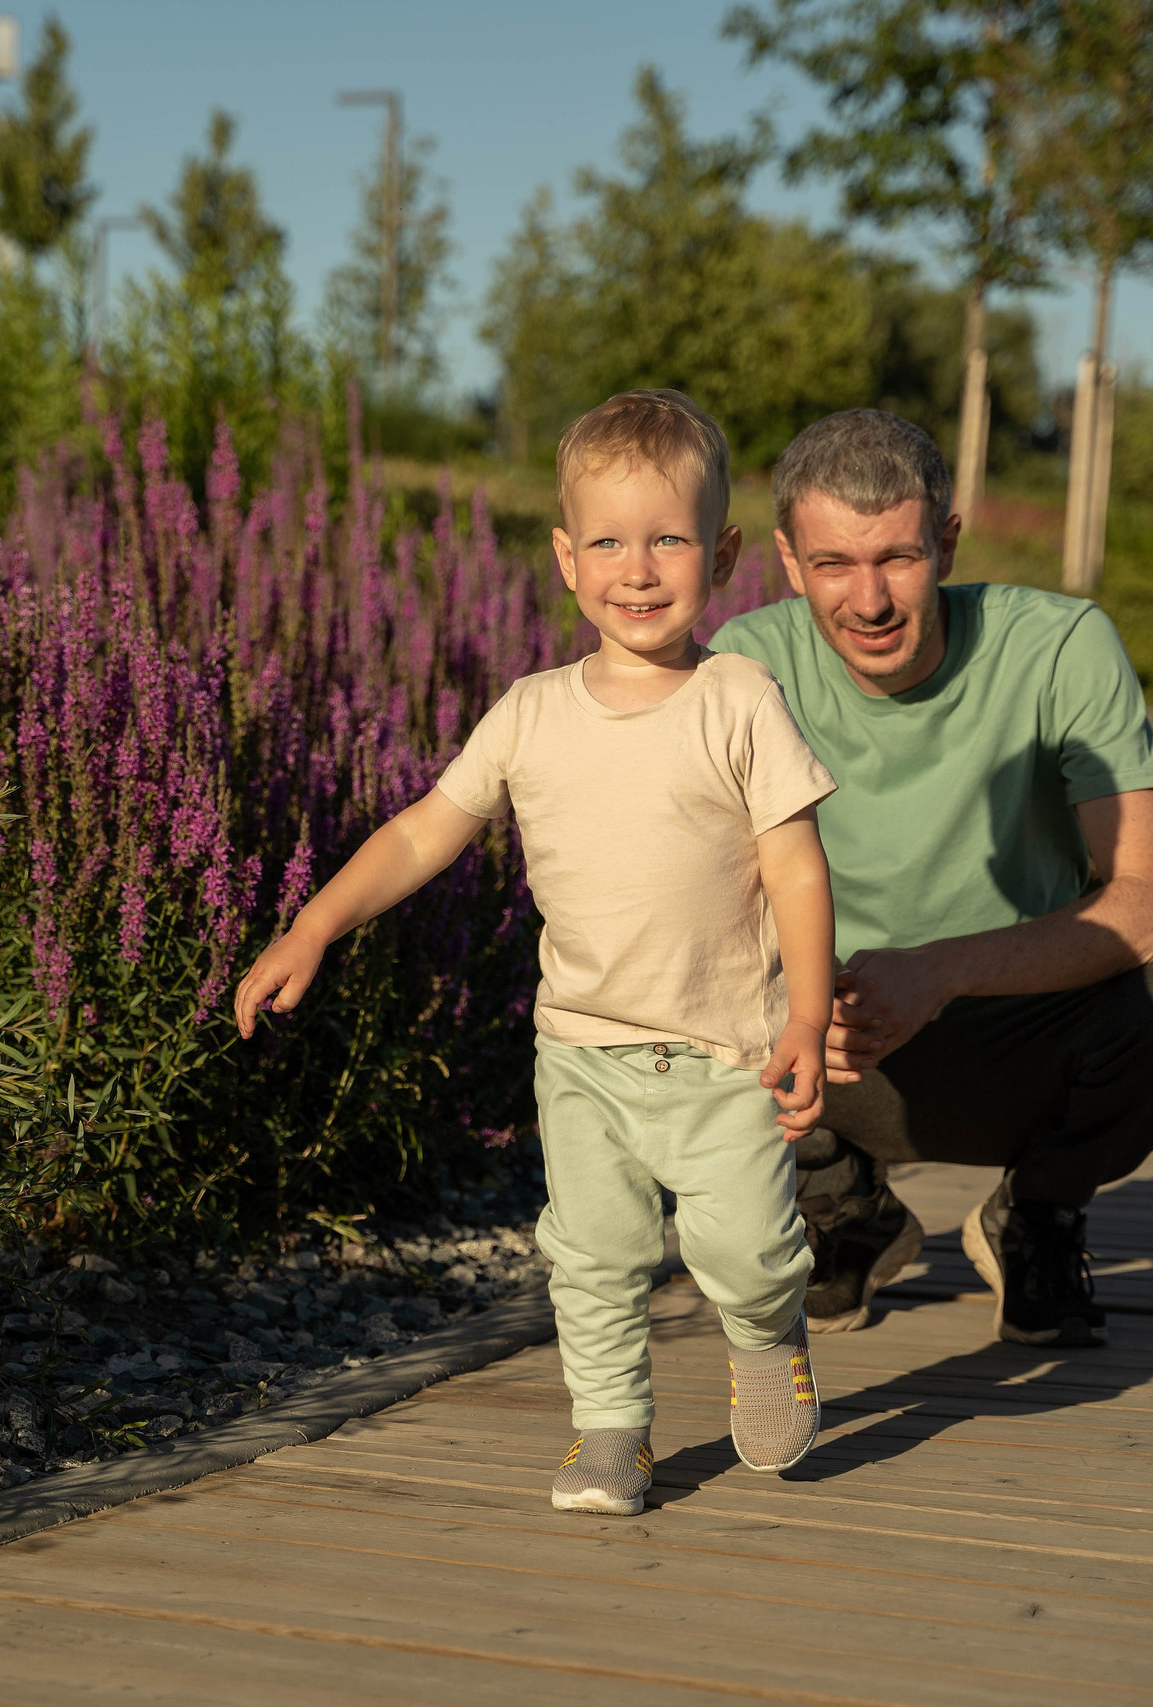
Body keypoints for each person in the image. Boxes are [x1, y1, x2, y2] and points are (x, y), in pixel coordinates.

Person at [235, 391, 838, 1516]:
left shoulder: (738, 698)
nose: (639, 568)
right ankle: (610, 1433)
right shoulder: (529, 712)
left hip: (728, 1052)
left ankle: (769, 1339)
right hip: (583, 1053)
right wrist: (313, 923)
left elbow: (797, 867)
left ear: (725, 552)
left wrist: (805, 1017)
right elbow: (425, 828)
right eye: (607, 540)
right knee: (594, 1258)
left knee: (749, 1253)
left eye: (668, 538)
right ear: (565, 558)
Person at [711, 410, 1153, 1349]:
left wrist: (940, 969)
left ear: (947, 544)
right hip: (828, 1048)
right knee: (663, 986)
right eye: (834, 563)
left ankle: (1037, 1213)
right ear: (789, 562)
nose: (869, 598)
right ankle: (843, 1211)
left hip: (1023, 1031)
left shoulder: (1061, 645)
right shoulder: (744, 663)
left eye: (899, 558)